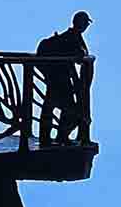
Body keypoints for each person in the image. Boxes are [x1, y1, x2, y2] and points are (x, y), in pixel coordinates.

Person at [36, 10, 92, 145]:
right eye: (85, 23)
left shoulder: (70, 36)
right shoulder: (72, 37)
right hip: (61, 78)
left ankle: (48, 138)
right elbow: (80, 55)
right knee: (72, 111)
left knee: (51, 107)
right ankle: (60, 136)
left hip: (56, 77)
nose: (86, 26)